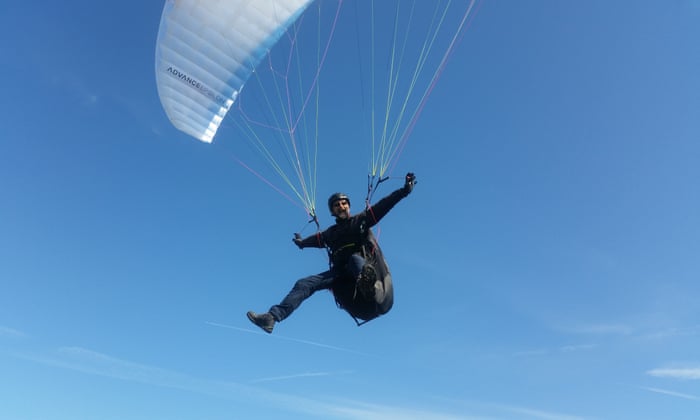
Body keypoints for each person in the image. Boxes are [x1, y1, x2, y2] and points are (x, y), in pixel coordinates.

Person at [246, 172, 417, 333]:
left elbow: (382, 206)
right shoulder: (330, 234)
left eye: (343, 203)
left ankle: (369, 287)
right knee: (304, 283)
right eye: (336, 205)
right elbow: (315, 240)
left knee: (354, 259)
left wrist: (403, 191)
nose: (341, 206)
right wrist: (302, 243)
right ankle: (272, 317)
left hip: (368, 276)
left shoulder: (360, 221)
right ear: (332, 211)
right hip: (342, 277)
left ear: (348, 206)